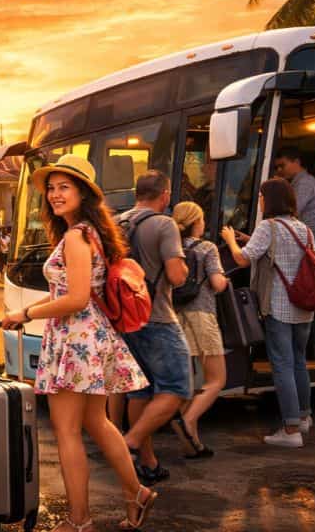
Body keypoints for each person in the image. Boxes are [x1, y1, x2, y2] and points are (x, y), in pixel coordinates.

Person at [1, 155, 154, 532]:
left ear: (83, 193)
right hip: (89, 336)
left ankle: (79, 520)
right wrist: (36, 309)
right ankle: (136, 493)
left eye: (64, 187)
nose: (54, 194)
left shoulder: (75, 236)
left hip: (76, 338)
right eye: (51, 188)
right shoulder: (88, 233)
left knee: (68, 431)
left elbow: (77, 297)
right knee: (97, 423)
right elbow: (76, 293)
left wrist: (26, 313)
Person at [221, 177, 315, 447]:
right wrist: (250, 240)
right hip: (304, 307)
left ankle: (290, 430)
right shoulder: (304, 229)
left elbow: (241, 259)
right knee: (299, 361)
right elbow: (293, 253)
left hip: (278, 306)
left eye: (262, 197)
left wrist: (231, 240)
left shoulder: (268, 226)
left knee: (283, 365)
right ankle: (304, 417)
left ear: (270, 200)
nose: (260, 201)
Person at [117, 171, 191, 487]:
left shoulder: (117, 223)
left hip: (125, 319)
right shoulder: (164, 224)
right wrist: (186, 267)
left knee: (140, 390)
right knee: (177, 388)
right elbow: (176, 275)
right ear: (165, 194)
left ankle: (148, 462)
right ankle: (129, 443)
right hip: (158, 318)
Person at [169, 201, 229, 458]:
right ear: (196, 222)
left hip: (173, 318)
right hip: (202, 316)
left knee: (187, 381)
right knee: (216, 379)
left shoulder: (170, 248)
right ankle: (189, 418)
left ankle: (192, 444)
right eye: (202, 219)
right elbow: (217, 283)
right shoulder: (207, 248)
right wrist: (225, 279)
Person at [272, 147, 315, 244]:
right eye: (277, 167)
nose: (279, 170)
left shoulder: (305, 183)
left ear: (296, 162)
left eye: (282, 165)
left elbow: (290, 212)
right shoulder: (295, 183)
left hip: (305, 243)